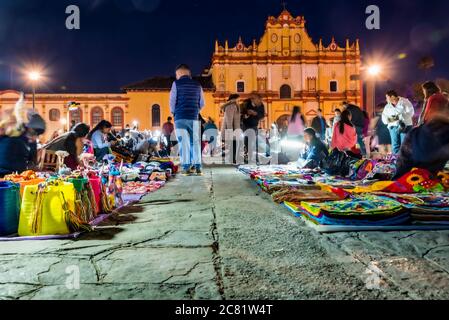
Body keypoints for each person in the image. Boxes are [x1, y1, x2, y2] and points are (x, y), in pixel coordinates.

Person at [395, 105, 449, 179]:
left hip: (407, 177)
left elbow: (402, 161)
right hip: (417, 179)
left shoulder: (418, 131)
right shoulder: (442, 130)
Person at [169, 64, 205, 175]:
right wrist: (196, 111)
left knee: (183, 143)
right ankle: (198, 167)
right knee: (195, 142)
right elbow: (202, 103)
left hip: (180, 118)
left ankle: (186, 168)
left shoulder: (176, 83)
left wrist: (174, 113)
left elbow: (172, 101)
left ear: (179, 73)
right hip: (193, 117)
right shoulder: (198, 85)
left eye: (176, 74)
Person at [0, 112, 46, 177]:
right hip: (12, 175)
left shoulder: (9, 131)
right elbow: (32, 160)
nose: (35, 137)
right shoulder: (16, 134)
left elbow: (32, 160)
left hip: (17, 175)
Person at [381, 90, 415, 154]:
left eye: (387, 97)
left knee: (405, 144)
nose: (386, 99)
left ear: (393, 97)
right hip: (393, 127)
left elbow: (411, 113)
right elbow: (384, 120)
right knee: (395, 145)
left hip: (405, 126)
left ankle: (405, 161)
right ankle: (396, 161)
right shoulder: (387, 107)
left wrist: (400, 117)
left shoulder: (405, 102)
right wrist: (396, 118)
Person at [241, 93, 265, 164]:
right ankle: (248, 155)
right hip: (245, 125)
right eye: (259, 100)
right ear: (254, 99)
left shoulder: (261, 105)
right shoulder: (245, 104)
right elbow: (240, 111)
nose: (260, 102)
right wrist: (247, 113)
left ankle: (252, 156)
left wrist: (256, 114)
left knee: (252, 141)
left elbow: (262, 115)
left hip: (254, 125)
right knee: (246, 141)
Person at [221, 94, 241, 164]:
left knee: (234, 144)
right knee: (233, 145)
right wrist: (230, 131)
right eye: (238, 99)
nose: (239, 100)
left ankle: (232, 158)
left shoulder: (234, 106)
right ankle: (232, 159)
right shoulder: (231, 106)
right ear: (234, 99)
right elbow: (229, 119)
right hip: (231, 129)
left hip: (234, 128)